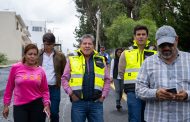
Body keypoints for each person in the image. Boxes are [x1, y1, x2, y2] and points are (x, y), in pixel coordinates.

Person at [136, 25, 190, 122]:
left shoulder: (188, 60)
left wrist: (187, 95)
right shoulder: (148, 62)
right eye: (162, 45)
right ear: (156, 43)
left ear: (176, 40)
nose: (166, 48)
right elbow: (139, 89)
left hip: (184, 118)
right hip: (155, 118)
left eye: (169, 44)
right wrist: (155, 93)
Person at [62, 34, 111, 122]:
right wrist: (71, 94)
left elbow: (107, 79)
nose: (87, 46)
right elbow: (64, 79)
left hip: (96, 103)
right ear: (80, 45)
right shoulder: (72, 59)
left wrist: (103, 95)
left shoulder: (100, 59)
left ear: (93, 46)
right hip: (78, 103)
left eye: (90, 44)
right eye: (84, 43)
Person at [2, 44, 50, 122]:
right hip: (20, 106)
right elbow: (9, 88)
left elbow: (45, 90)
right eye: (30, 54)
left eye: (35, 54)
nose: (32, 56)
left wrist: (46, 104)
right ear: (25, 55)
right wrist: (6, 105)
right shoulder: (16, 68)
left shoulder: (41, 70)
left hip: (37, 105)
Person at [118, 25, 157, 122]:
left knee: (149, 118)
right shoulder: (126, 52)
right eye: (138, 34)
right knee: (135, 118)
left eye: (143, 34)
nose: (141, 36)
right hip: (132, 90)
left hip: (151, 90)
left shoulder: (155, 52)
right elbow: (121, 72)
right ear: (134, 37)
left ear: (147, 36)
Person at [39, 33, 66, 122]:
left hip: (54, 88)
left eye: (50, 44)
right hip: (40, 89)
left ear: (54, 44)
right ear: (43, 43)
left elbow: (64, 71)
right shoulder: (38, 55)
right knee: (41, 112)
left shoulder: (60, 56)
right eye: (46, 44)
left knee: (54, 113)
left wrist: (59, 81)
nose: (48, 47)